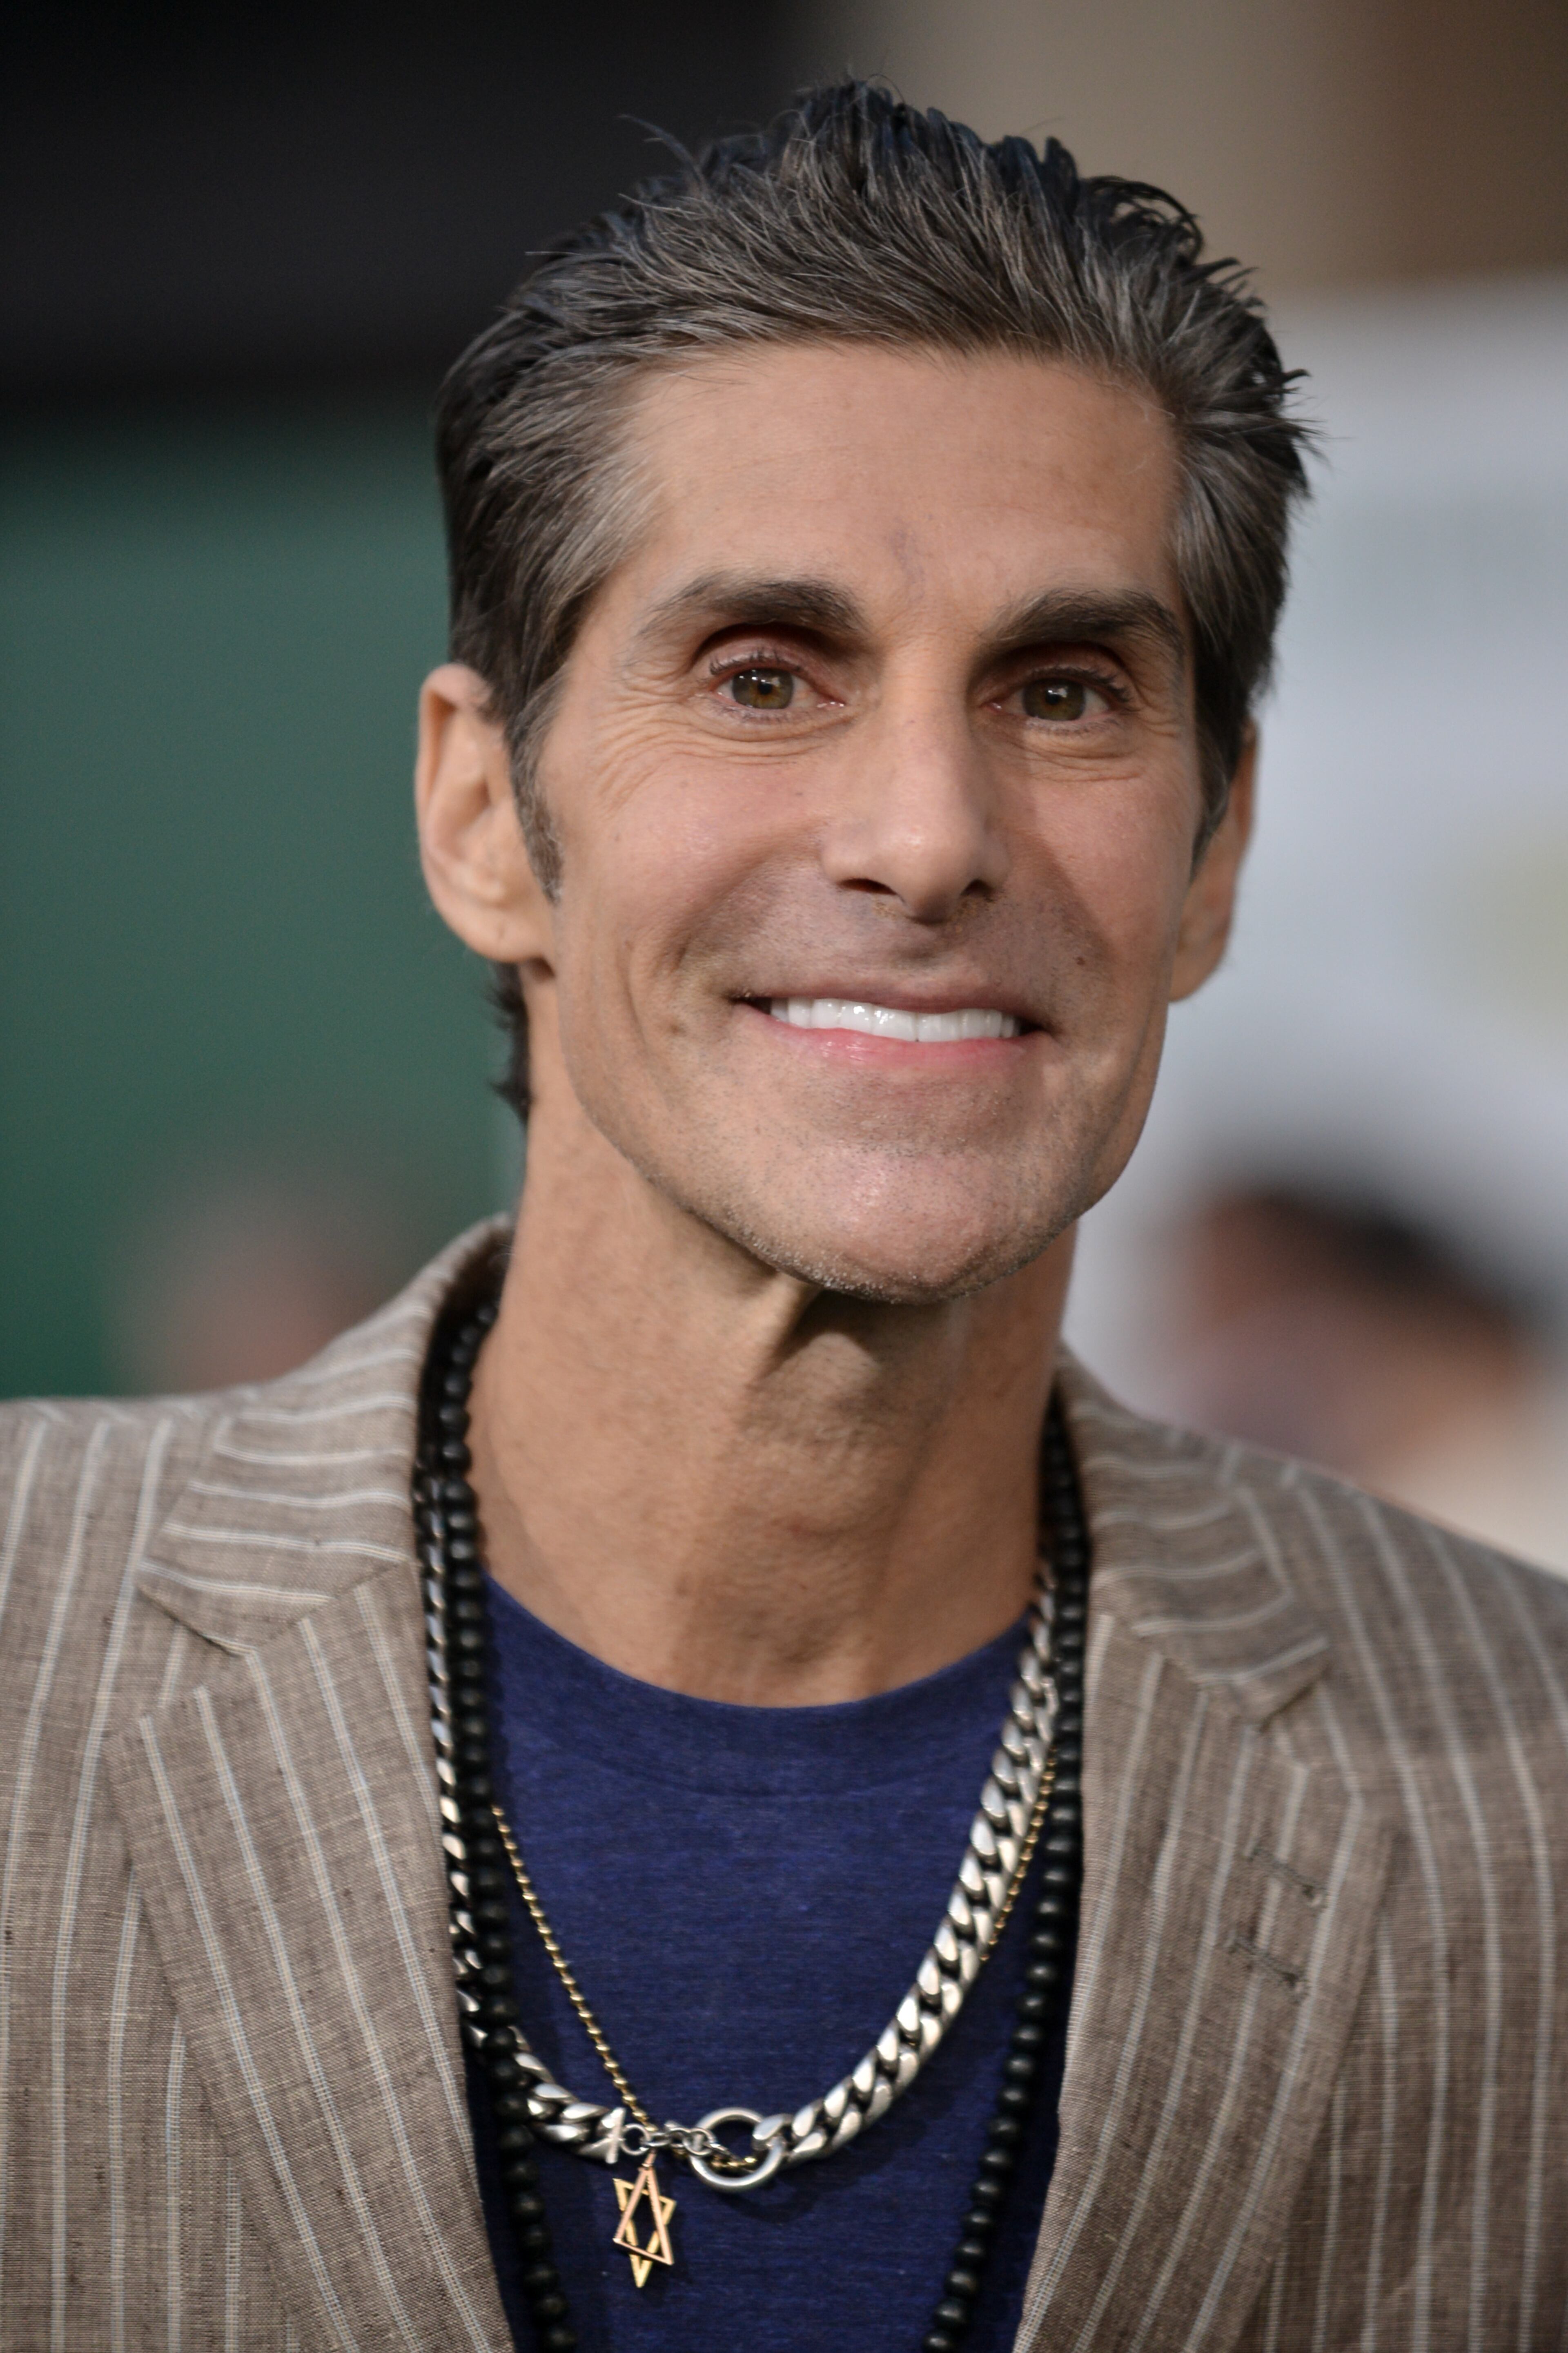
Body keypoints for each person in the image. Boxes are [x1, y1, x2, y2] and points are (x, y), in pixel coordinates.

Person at [2, 83, 1564, 2353]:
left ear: (1213, 859)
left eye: (1064, 692)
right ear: (483, 815)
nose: (927, 835)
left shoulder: (1527, 1785)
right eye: (762, 676)